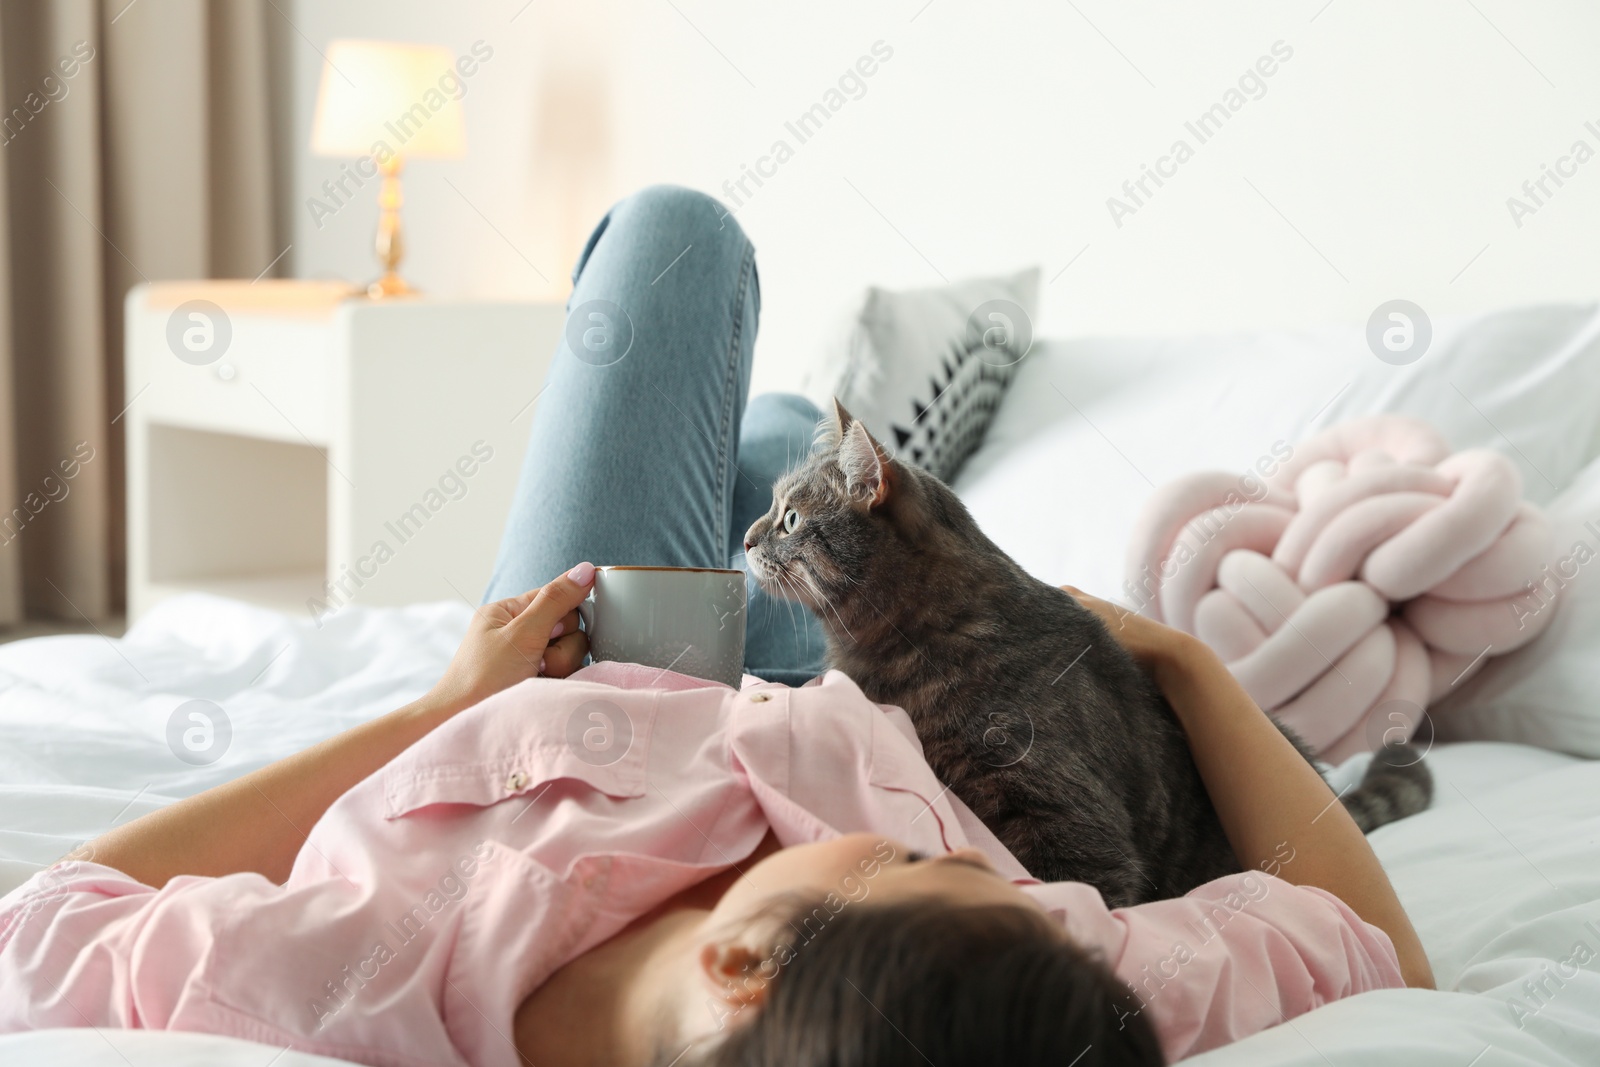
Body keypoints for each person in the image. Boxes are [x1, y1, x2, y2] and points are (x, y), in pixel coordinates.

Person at [0, 187, 1431, 1067]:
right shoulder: (1022, 1004)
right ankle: (799, 463)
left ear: (742, 967)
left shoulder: (351, 973)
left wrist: (440, 706)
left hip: (584, 665)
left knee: (679, 243)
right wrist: (1173, 658)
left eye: (935, 864)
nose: (1009, 882)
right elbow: (1380, 955)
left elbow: (47, 923)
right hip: (867, 675)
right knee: (794, 462)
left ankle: (787, 462)